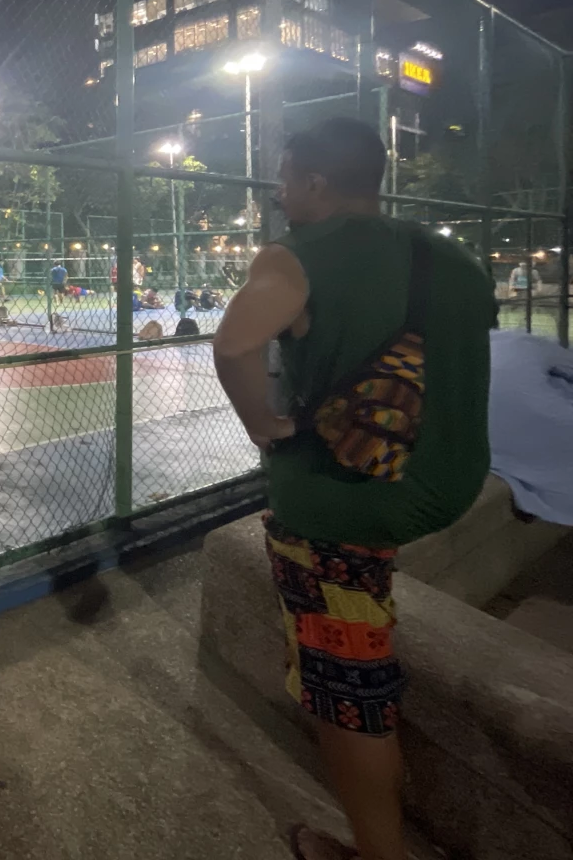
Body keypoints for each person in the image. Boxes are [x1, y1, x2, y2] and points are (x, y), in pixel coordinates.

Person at [212, 118, 495, 860]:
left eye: (283, 179)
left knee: (348, 694)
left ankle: (379, 854)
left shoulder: (298, 255)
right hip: (450, 479)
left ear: (314, 183)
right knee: (359, 643)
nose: (277, 194)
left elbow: (236, 340)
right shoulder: (454, 259)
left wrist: (262, 424)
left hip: (350, 499)